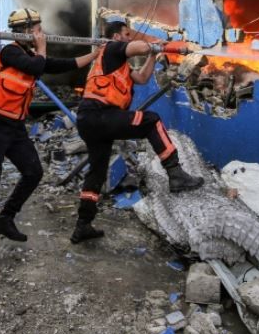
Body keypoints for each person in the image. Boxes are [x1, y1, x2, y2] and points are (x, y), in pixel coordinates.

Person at [0, 8, 98, 267]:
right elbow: (36, 65)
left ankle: (5, 218)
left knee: (33, 172)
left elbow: (61, 64)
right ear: (24, 31)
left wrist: (96, 55)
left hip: (15, 127)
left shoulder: (33, 55)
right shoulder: (10, 52)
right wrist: (42, 47)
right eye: (37, 29)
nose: (41, 33)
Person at [70, 16, 203, 244]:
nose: (129, 38)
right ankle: (176, 174)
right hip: (99, 114)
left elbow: (141, 78)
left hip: (91, 120)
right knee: (151, 121)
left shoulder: (117, 65)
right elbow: (139, 46)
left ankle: (83, 225)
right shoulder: (112, 48)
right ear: (116, 36)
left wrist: (154, 55)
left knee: (97, 172)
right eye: (127, 34)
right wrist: (160, 45)